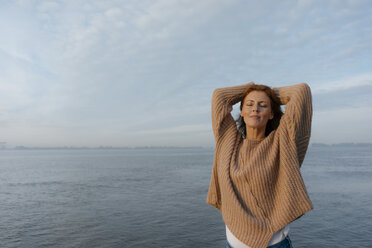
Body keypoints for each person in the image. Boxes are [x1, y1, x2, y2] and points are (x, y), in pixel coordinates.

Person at [206, 82, 313, 248]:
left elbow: (301, 91)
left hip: (273, 244)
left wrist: (268, 93)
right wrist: (252, 88)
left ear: (271, 114)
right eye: (249, 104)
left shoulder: (282, 142)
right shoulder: (228, 142)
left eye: (263, 105)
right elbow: (220, 96)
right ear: (241, 112)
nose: (255, 108)